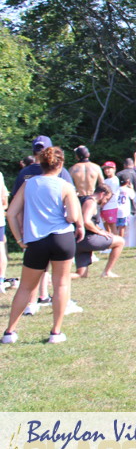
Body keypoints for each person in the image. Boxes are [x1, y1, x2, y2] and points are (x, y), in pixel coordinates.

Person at [2, 146, 84, 345]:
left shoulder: (29, 184)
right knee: (61, 284)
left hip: (36, 240)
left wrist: (19, 239)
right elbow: (73, 216)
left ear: (41, 163)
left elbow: (11, 213)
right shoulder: (65, 186)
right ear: (60, 164)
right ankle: (56, 332)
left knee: (25, 287)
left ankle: (9, 332)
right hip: (62, 238)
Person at [73, 184, 125, 278]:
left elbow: (91, 222)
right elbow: (86, 221)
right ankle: (107, 272)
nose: (105, 202)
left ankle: (51, 278)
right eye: (106, 199)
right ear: (102, 194)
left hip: (78, 240)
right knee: (120, 241)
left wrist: (101, 230)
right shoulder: (91, 202)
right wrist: (99, 232)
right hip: (87, 239)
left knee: (81, 274)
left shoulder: (83, 199)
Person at [99, 161, 119, 232]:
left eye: (109, 168)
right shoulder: (105, 180)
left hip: (111, 206)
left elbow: (110, 194)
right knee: (106, 226)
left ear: (114, 169)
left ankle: (116, 238)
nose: (106, 170)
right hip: (104, 207)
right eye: (105, 169)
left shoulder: (114, 180)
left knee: (112, 225)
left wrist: (102, 203)